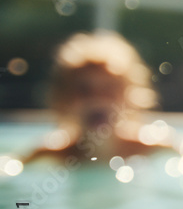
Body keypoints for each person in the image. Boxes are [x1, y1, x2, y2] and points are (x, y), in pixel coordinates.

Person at [21, 30, 173, 165]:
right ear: (64, 98)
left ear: (129, 97)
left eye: (109, 88)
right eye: (84, 89)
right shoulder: (52, 153)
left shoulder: (152, 147)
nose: (97, 98)